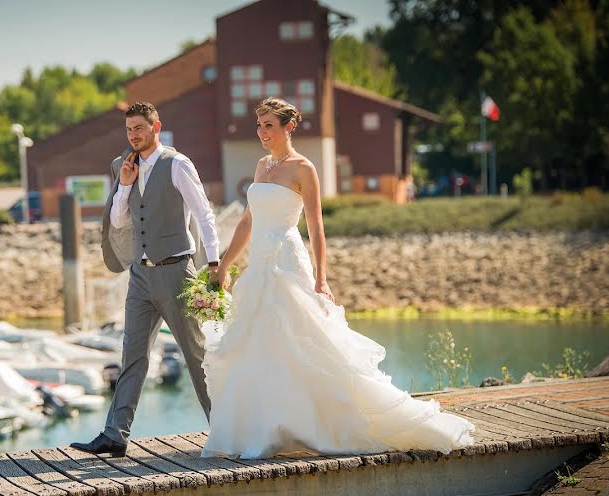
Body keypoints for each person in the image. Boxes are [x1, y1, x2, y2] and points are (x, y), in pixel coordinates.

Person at [201, 97, 474, 459]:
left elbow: (315, 225)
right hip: (259, 265)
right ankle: (267, 428)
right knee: (259, 346)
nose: (262, 132)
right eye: (259, 125)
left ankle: (320, 424)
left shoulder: (303, 168)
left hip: (286, 259)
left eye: (269, 125)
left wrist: (322, 279)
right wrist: (222, 266)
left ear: (288, 127)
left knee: (303, 339)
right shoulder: (262, 166)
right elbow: (248, 222)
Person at [71, 101, 221, 458]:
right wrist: (124, 186)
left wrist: (214, 263)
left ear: (156, 127)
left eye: (139, 128)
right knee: (133, 357)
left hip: (175, 272)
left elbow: (204, 215)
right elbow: (120, 222)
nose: (134, 135)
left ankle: (224, 429)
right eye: (129, 130)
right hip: (140, 276)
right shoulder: (127, 168)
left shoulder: (177, 164)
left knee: (196, 356)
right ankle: (115, 435)